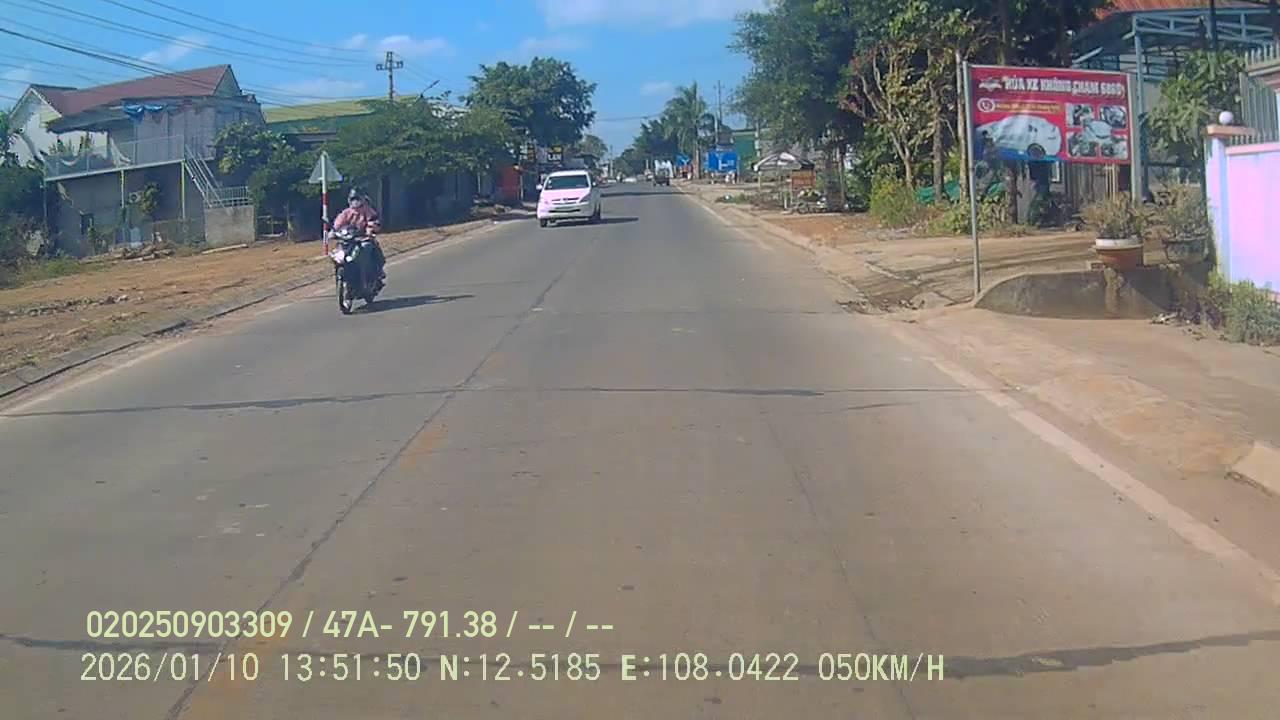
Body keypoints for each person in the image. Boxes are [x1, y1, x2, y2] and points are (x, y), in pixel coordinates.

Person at [332, 188, 385, 282]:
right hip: (348, 239)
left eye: (357, 199)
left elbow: (373, 221)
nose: (355, 202)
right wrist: (333, 232)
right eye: (353, 199)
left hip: (363, 238)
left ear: (362, 200)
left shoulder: (367, 210)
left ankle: (377, 271)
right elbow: (337, 224)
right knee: (338, 252)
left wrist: (370, 230)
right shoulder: (346, 212)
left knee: (369, 247)